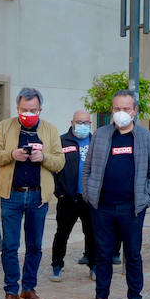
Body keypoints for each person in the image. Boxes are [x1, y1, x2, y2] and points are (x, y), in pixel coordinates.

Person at [80, 89, 150, 299]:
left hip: (132, 208)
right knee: (103, 253)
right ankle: (101, 296)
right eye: (117, 109)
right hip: (102, 206)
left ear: (135, 111)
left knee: (133, 254)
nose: (121, 113)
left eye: (126, 109)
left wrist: (147, 198)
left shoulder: (147, 138)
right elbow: (87, 168)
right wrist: (88, 193)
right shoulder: (101, 135)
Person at [0, 87, 65, 299]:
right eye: (24, 109)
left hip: (38, 196)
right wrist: (12, 154)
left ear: (40, 109)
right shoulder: (5, 126)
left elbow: (60, 162)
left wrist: (44, 157)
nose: (28, 113)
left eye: (32, 110)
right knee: (10, 246)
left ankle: (28, 287)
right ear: (17, 108)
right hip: (12, 194)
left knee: (35, 246)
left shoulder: (49, 130)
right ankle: (11, 291)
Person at [52, 110, 98, 281]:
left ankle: (93, 265)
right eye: (79, 122)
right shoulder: (62, 141)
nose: (82, 125)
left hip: (89, 198)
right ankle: (57, 266)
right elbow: (54, 168)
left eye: (86, 122)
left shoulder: (96, 142)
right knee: (62, 233)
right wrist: (59, 192)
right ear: (72, 122)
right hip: (68, 198)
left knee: (92, 233)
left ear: (90, 124)